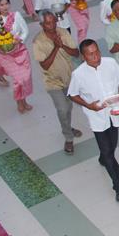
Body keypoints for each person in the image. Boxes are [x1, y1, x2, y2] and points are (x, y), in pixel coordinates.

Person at [68, 39, 119, 202]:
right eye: (91, 54)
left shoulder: (110, 64)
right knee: (109, 153)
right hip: (96, 117)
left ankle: (103, 158)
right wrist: (89, 105)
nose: (96, 56)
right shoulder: (78, 74)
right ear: (83, 57)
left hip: (114, 114)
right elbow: (73, 94)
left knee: (111, 147)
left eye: (97, 52)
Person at [33, 10, 82, 155]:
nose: (52, 25)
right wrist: (56, 47)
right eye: (48, 23)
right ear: (42, 24)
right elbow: (45, 65)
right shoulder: (38, 41)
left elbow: (76, 53)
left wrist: (62, 45)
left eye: (53, 21)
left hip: (68, 78)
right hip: (52, 81)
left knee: (68, 107)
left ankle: (68, 127)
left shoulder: (63, 33)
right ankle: (68, 137)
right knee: (62, 108)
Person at [0, 0, 33, 113]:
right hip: (5, 55)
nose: (5, 7)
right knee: (18, 79)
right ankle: (19, 102)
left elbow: (25, 31)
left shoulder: (16, 15)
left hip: (20, 52)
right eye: (1, 5)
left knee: (25, 78)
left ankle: (24, 100)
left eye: (6, 3)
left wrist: (19, 40)